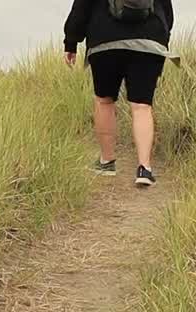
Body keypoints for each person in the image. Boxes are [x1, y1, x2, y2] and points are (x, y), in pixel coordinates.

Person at [63, 0, 176, 187]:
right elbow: (167, 11)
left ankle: (106, 161)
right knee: (141, 106)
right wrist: (161, 35)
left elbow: (81, 7)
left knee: (104, 101)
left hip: (104, 40)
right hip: (149, 41)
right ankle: (144, 169)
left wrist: (71, 41)